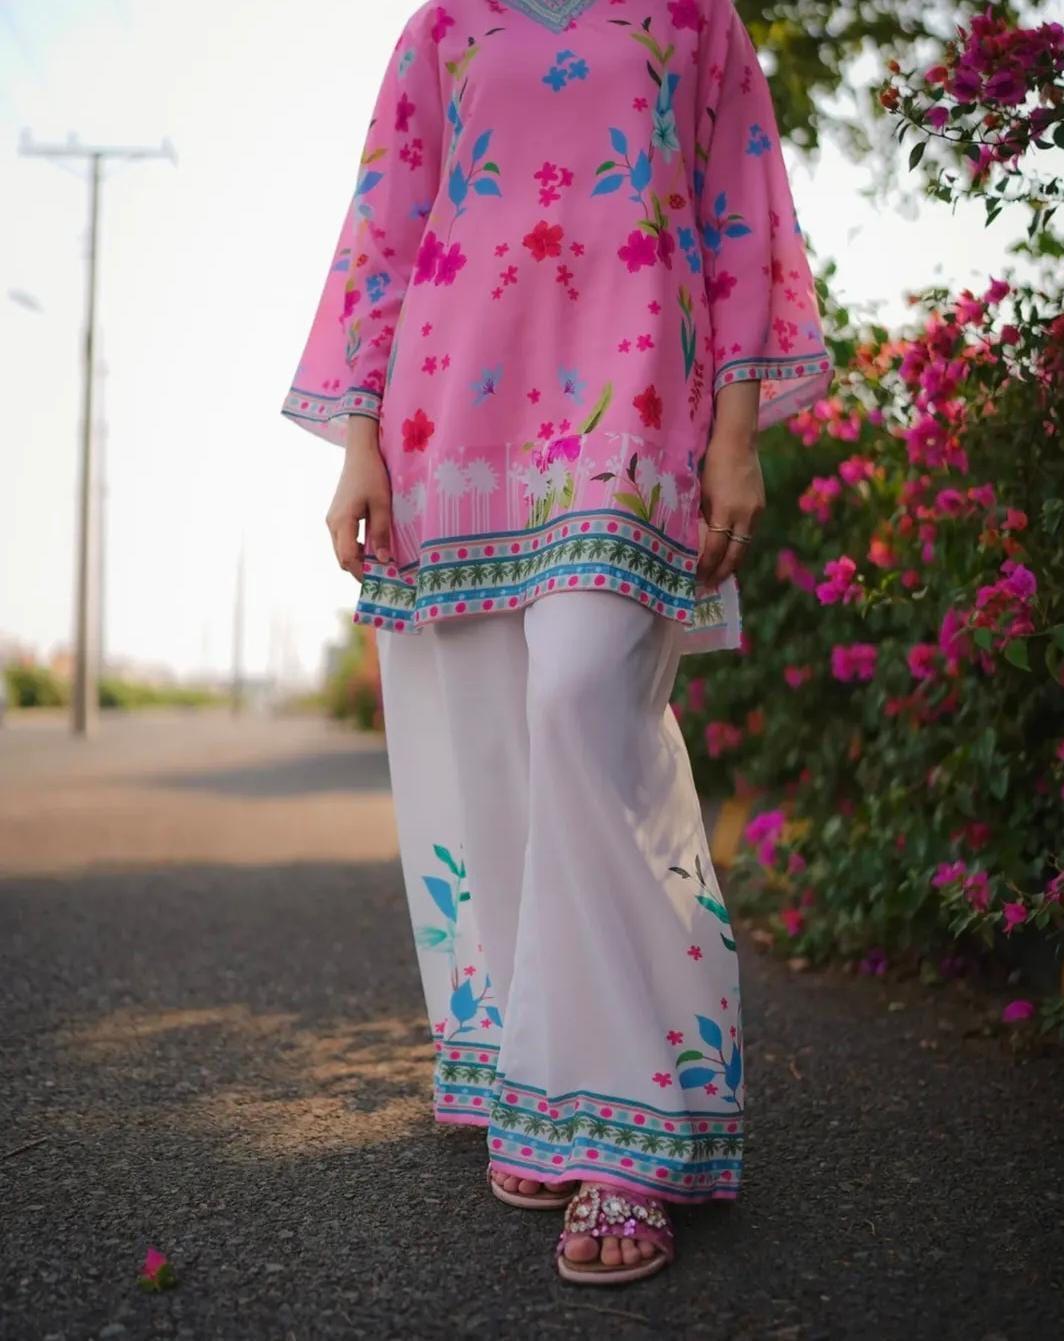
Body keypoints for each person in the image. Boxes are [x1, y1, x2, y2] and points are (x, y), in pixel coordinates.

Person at [281, 0, 833, 1286]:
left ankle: (635, 1128)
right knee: (486, 754)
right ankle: (536, 1070)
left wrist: (736, 435)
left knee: (587, 713)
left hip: (635, 404)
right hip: (447, 422)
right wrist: (360, 444)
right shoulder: (443, 26)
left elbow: (744, 215)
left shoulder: (696, 18)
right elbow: (385, 230)